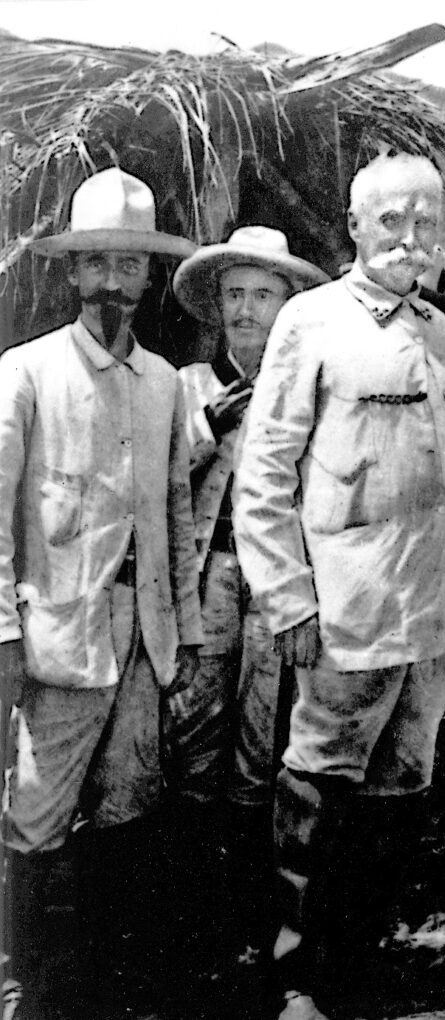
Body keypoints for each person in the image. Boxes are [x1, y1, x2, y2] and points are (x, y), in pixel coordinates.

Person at [232, 152, 445, 1020]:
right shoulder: (310, 321)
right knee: (320, 781)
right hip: (349, 608)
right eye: (392, 220)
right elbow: (265, 474)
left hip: (441, 610)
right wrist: (290, 601)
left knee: (403, 785)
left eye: (427, 222)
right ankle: (297, 978)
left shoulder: (440, 328)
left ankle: (361, 960)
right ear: (355, 226)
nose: (411, 239)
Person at [0, 167, 203, 1020]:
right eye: (97, 265)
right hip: (57, 636)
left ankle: (109, 984)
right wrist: (4, 631)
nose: (113, 282)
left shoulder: (162, 383)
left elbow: (178, 518)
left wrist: (183, 633)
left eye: (131, 266)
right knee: (35, 817)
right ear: (71, 273)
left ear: (150, 277)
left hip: (142, 632)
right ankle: (26, 983)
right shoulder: (26, 373)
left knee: (128, 805)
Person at [168, 228, 327, 966]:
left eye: (262, 296)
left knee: (264, 738)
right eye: (234, 295)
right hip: (209, 577)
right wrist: (214, 424)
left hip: (278, 584)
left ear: (288, 306)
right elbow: (161, 478)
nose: (246, 311)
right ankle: (196, 915)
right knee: (196, 727)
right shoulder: (189, 388)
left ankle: (254, 919)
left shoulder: (310, 386)